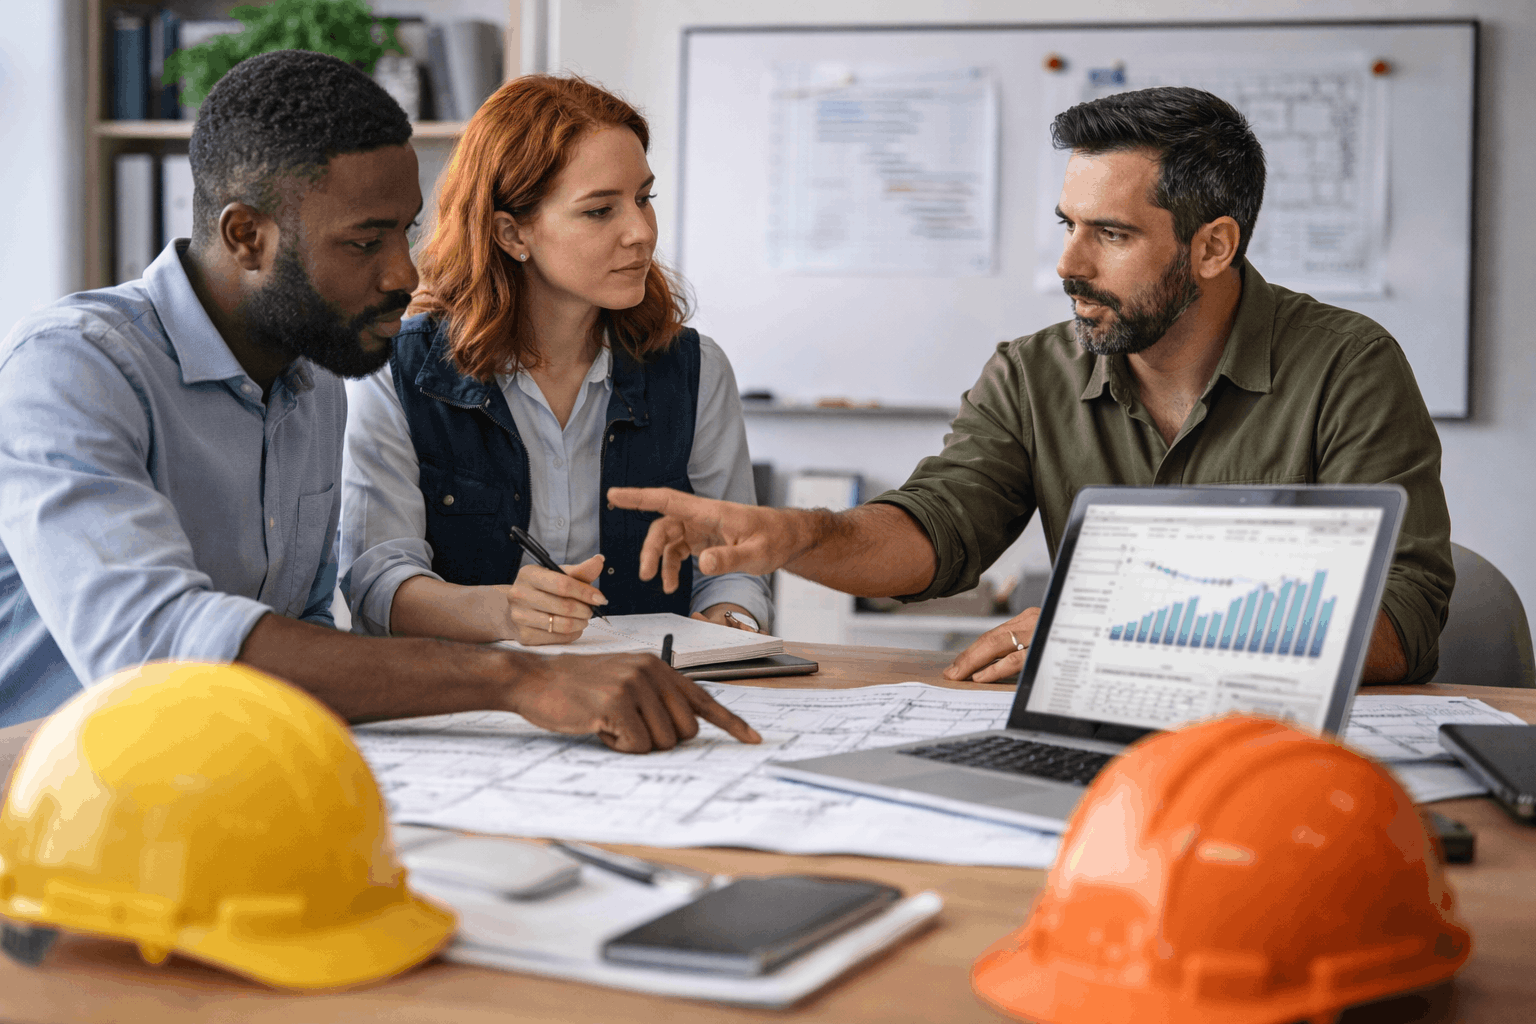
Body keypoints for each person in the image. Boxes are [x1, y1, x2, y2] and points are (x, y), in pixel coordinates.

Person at [0, 50, 758, 753]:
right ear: (247, 236)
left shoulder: (314, 379)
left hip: (233, 768)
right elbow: (155, 646)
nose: (406, 274)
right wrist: (519, 678)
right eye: (367, 242)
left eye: (406, 233)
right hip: (57, 790)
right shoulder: (73, 365)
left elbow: (304, 626)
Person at [608, 86, 1453, 686]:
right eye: (1067, 225)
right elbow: (938, 531)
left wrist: (1108, 630)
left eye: (1111, 234)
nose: (1068, 263)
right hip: (1094, 738)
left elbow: (1402, 623)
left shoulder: (1348, 366)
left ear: (1213, 247)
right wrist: (797, 534)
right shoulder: (1032, 371)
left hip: (1283, 755)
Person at [339, 75, 771, 648]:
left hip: (652, 688)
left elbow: (735, 566)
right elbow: (378, 585)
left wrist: (733, 626)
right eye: (600, 211)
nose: (641, 233)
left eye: (644, 199)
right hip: (471, 690)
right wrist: (505, 612)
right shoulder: (397, 371)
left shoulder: (697, 371)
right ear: (511, 233)